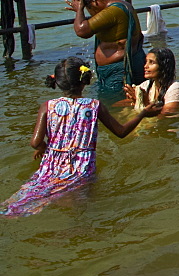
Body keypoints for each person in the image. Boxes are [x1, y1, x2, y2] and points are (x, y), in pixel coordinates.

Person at [1, 57, 161, 217]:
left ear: (56, 81)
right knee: (78, 206)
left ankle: (8, 210)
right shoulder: (94, 105)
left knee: (31, 193)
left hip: (51, 165)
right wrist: (143, 114)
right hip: (82, 165)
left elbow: (35, 142)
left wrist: (44, 149)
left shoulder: (47, 106)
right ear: (84, 81)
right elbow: (121, 132)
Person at [67, 0, 144, 102]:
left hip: (119, 70)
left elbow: (82, 30)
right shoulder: (122, 6)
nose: (91, 13)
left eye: (89, 8)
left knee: (115, 105)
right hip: (120, 67)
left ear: (95, 2)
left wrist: (79, 10)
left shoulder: (113, 11)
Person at [124, 47, 179, 114]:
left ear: (163, 66)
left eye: (151, 62)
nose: (145, 66)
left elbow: (163, 119)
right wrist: (134, 99)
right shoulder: (146, 85)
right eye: (146, 62)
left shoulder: (176, 90)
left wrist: (144, 102)